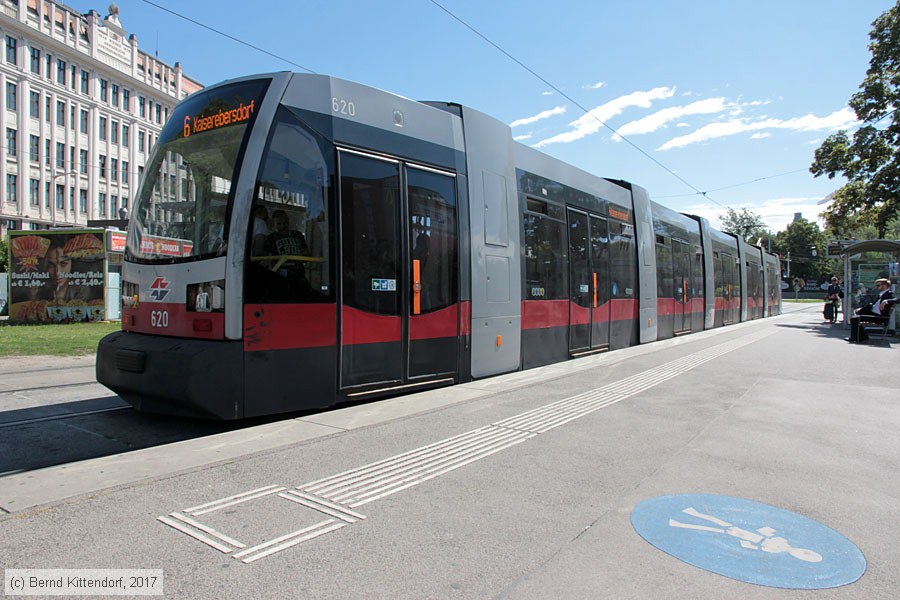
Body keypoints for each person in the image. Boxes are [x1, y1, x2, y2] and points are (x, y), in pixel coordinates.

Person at [847, 278, 897, 343]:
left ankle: (857, 337)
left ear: (885, 285)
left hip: (879, 317)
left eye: (878, 285)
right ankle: (861, 337)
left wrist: (886, 301)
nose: (877, 287)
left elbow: (897, 299)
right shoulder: (881, 294)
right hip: (873, 314)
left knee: (855, 319)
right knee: (856, 316)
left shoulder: (889, 294)